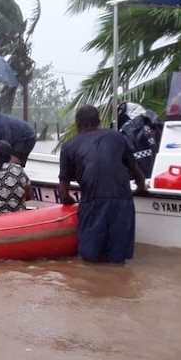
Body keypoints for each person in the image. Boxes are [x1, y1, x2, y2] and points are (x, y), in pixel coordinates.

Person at [58, 105, 147, 263]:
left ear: (77, 125)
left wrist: (68, 201)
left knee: (90, 259)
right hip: (123, 201)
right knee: (118, 260)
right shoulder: (117, 137)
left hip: (92, 201)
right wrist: (141, 188)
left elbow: (63, 192)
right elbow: (135, 170)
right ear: (100, 122)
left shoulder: (69, 146)